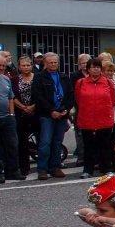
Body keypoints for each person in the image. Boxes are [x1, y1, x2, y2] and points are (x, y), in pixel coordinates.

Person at [32, 52, 74, 181]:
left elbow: (70, 95)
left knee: (57, 142)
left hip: (62, 115)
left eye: (55, 62)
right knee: (45, 142)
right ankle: (42, 169)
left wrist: (66, 109)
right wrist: (51, 111)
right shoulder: (39, 77)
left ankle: (55, 167)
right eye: (50, 62)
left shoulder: (64, 77)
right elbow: (38, 97)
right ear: (45, 63)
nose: (53, 64)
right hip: (47, 115)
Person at [73, 58, 115, 179]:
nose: (95, 69)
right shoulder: (81, 82)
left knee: (105, 145)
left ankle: (106, 168)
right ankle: (88, 170)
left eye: (97, 67)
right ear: (88, 69)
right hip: (87, 119)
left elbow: (112, 100)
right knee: (88, 146)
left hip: (104, 119)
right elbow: (78, 99)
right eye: (93, 67)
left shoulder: (108, 82)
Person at [12, 55, 35, 178]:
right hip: (20, 113)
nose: (26, 67)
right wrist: (24, 107)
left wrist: (32, 107)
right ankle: (24, 168)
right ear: (19, 67)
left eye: (28, 65)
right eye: (23, 65)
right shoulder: (14, 79)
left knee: (41, 140)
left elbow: (41, 94)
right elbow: (12, 96)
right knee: (22, 142)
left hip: (36, 112)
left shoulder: (37, 78)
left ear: (31, 66)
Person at [0, 55, 21, 183]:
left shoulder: (6, 79)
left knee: (12, 145)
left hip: (7, 118)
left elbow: (10, 98)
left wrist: (12, 115)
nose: (1, 68)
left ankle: (12, 171)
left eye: (3, 65)